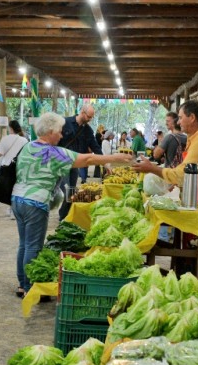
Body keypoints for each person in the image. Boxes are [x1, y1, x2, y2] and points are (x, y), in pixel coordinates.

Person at [11, 112, 132, 298]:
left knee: (24, 244)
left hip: (17, 200)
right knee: (33, 246)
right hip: (35, 202)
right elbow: (88, 159)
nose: (61, 135)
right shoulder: (52, 152)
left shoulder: (28, 146)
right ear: (50, 131)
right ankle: (29, 287)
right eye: (59, 131)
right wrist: (115, 158)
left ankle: (22, 284)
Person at [132, 100, 198, 231]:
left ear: (192, 118)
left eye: (180, 118)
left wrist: (152, 168)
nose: (179, 122)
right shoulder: (196, 138)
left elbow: (182, 174)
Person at [57, 104, 102, 220]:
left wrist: (105, 162)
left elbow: (95, 147)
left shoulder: (88, 130)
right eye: (88, 116)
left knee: (71, 192)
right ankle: (63, 216)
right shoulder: (64, 122)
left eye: (91, 117)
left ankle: (65, 215)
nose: (90, 119)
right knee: (67, 190)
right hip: (61, 164)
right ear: (82, 112)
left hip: (74, 166)